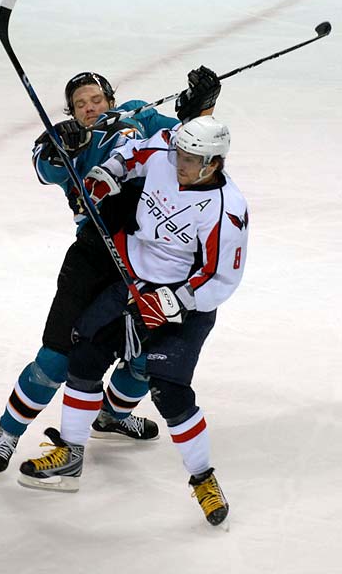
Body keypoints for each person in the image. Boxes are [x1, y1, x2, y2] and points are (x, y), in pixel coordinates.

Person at [0, 68, 222, 474]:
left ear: (111, 100)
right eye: (80, 104)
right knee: (56, 360)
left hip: (145, 259)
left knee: (146, 360)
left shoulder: (139, 117)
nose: (89, 108)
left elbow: (191, 141)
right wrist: (59, 143)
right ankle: (7, 433)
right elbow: (44, 166)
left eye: (95, 100)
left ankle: (111, 416)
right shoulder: (73, 141)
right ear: (72, 113)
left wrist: (203, 104)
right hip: (93, 259)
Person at [17, 115, 249, 528]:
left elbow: (221, 278)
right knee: (85, 357)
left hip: (184, 303)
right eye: (180, 152)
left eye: (192, 158)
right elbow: (132, 154)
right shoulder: (167, 148)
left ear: (213, 163)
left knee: (169, 391)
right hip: (131, 280)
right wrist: (107, 174)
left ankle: (203, 478)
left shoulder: (227, 211)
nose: (180, 161)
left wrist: (174, 301)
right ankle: (70, 454)